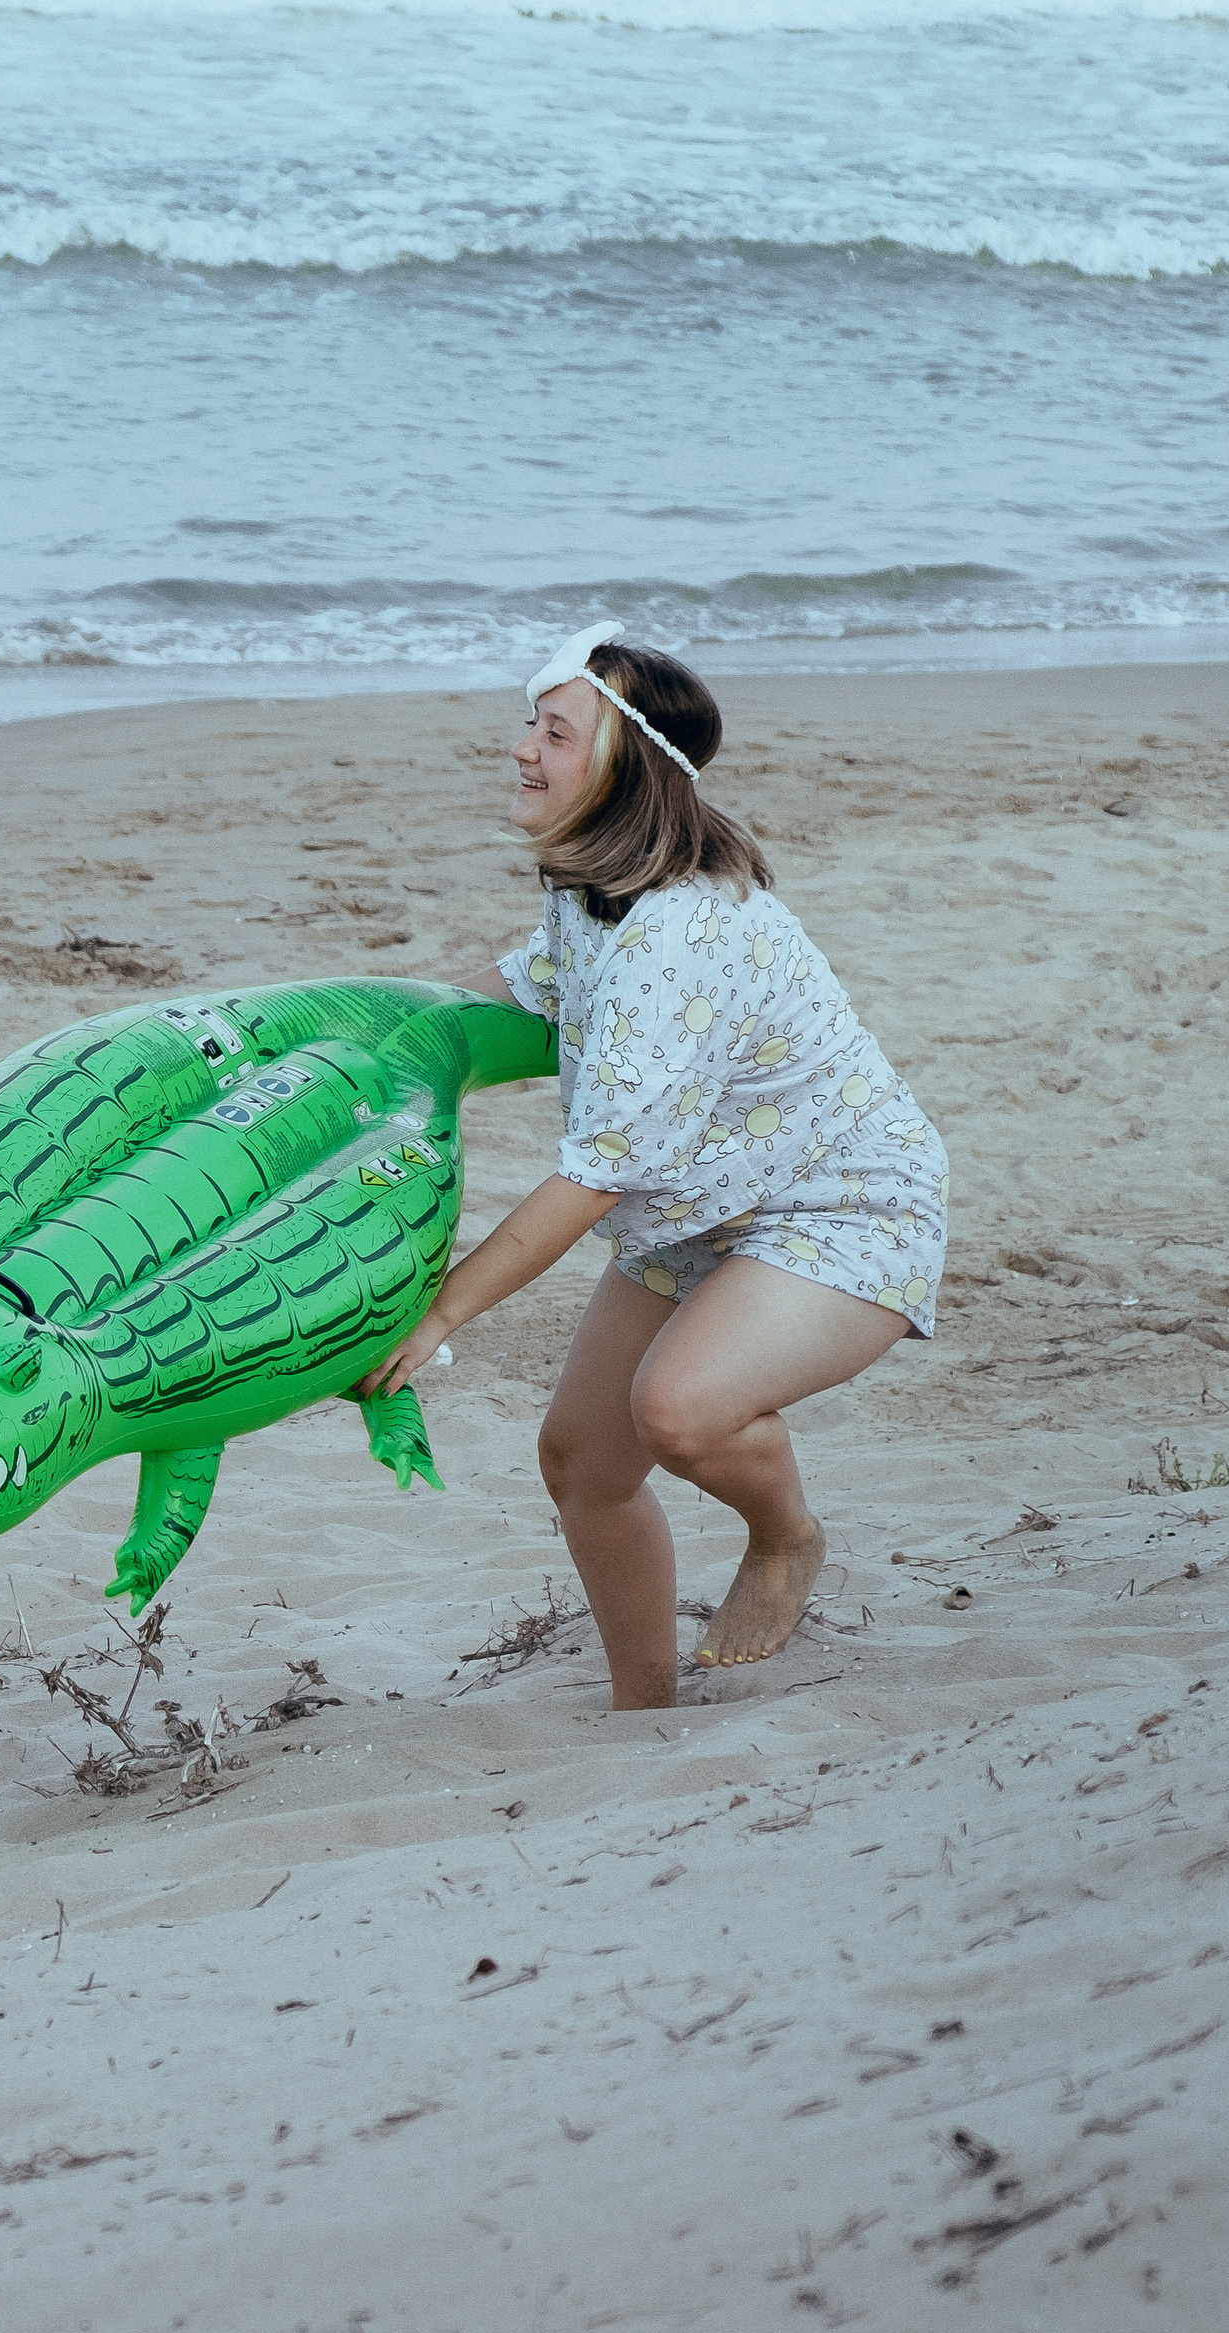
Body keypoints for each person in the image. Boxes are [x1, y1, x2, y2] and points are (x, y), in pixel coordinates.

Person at [361, 628, 946, 1707]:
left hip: (838, 1206)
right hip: (697, 1212)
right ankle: (646, 1709)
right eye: (527, 725)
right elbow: (506, 995)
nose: (521, 750)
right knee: (583, 1461)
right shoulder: (593, 892)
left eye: (552, 732)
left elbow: (593, 1176)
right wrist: (366, 1047)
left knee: (677, 1411)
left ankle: (785, 1535)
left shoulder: (673, 935)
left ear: (622, 765)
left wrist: (439, 1315)